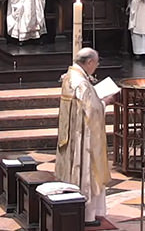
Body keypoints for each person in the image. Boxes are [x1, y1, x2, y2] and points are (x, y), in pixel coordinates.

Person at [55, 48, 112, 227]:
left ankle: (73, 210)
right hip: (83, 137)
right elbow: (92, 109)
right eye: (96, 63)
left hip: (71, 134)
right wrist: (105, 102)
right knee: (86, 173)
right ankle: (87, 215)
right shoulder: (80, 82)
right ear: (89, 63)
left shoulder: (70, 75)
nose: (97, 66)